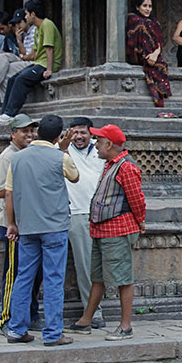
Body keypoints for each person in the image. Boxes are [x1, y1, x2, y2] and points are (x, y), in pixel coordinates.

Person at [3, 114, 80, 347]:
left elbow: (9, 193)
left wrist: (11, 223)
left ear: (37, 133)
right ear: (59, 136)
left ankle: (16, 329)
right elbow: (75, 177)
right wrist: (64, 150)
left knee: (24, 277)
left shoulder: (17, 159)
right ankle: (53, 333)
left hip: (27, 226)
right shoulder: (59, 157)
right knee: (53, 279)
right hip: (54, 226)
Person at [67, 124, 147, 341]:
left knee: (123, 278)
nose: (96, 145)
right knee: (98, 278)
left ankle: (125, 326)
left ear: (110, 144)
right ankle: (85, 320)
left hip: (118, 229)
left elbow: (137, 199)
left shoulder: (126, 167)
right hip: (102, 229)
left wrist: (139, 222)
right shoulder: (109, 165)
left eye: (100, 141)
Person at [0, 114, 42, 334]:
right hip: (11, 223)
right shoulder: (7, 157)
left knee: (33, 274)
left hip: (30, 221)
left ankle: (30, 315)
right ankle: (6, 318)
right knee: (13, 274)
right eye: (25, 131)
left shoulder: (29, 154)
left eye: (32, 131)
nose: (29, 135)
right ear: (13, 133)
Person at [57, 117, 106, 329]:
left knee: (97, 266)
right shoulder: (62, 150)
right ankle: (93, 312)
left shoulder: (100, 150)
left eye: (83, 133)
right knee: (84, 266)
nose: (79, 136)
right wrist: (62, 148)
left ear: (91, 134)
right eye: (75, 132)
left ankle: (95, 311)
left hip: (100, 213)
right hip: (75, 212)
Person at [0, 0, 63, 124]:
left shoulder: (47, 25)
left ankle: (10, 113)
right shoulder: (37, 29)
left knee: (22, 79)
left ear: (33, 14)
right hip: (37, 63)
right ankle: (5, 112)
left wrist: (49, 69)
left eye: (26, 14)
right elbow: (34, 54)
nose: (25, 17)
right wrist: (23, 55)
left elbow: (49, 48)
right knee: (13, 79)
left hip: (45, 64)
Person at [126, 0, 173, 106]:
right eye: (144, 6)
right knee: (141, 25)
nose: (148, 9)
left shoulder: (154, 22)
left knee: (161, 65)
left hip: (153, 55)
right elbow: (133, 41)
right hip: (138, 54)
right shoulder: (133, 19)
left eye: (150, 6)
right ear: (138, 7)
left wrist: (155, 54)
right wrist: (147, 55)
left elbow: (159, 42)